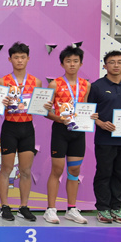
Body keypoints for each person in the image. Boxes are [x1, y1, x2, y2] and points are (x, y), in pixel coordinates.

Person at [89, 51, 121, 224]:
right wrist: (101, 123)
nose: (116, 65)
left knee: (120, 175)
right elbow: (89, 112)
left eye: (120, 62)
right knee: (104, 174)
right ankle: (103, 209)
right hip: (104, 140)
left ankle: (116, 209)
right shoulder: (96, 86)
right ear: (105, 65)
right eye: (112, 62)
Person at [43, 45, 93, 225]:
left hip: (78, 132)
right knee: (57, 169)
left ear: (81, 64)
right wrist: (59, 118)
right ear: (62, 64)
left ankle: (71, 209)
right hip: (60, 131)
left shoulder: (86, 85)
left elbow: (85, 107)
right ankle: (51, 209)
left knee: (74, 170)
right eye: (68, 61)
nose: (72, 64)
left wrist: (90, 116)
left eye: (75, 61)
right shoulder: (55, 84)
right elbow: (45, 112)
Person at [0, 42, 40, 222]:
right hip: (10, 128)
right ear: (10, 59)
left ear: (28, 59)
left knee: (26, 170)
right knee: (6, 169)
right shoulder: (2, 81)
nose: (19, 60)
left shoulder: (36, 82)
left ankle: (23, 207)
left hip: (27, 128)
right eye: (16, 57)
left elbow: (40, 107)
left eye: (22, 57)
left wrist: (44, 105)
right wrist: (2, 103)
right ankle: (5, 207)